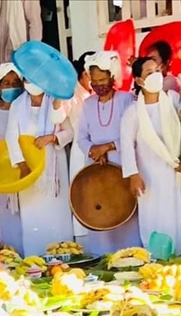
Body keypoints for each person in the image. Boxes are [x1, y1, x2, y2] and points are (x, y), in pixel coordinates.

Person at [0, 63, 73, 256]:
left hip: (54, 171)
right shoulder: (18, 105)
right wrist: (22, 165)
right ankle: (35, 259)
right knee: (32, 218)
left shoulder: (55, 100)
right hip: (28, 168)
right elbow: (11, 137)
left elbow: (69, 132)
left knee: (57, 215)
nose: (30, 83)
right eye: (27, 79)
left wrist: (52, 138)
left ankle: (63, 257)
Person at [121, 54, 181, 255]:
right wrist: (133, 175)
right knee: (154, 219)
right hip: (149, 176)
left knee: (180, 218)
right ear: (138, 80)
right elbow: (127, 144)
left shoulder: (173, 99)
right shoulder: (132, 112)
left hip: (176, 171)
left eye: (157, 71)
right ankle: (156, 260)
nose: (156, 75)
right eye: (149, 73)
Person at [69, 52, 140, 254]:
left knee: (124, 211)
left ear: (112, 77)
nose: (98, 85)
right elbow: (81, 136)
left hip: (122, 165)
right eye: (94, 81)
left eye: (102, 79)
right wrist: (92, 150)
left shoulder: (127, 100)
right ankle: (102, 258)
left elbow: (133, 134)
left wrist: (107, 147)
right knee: (98, 213)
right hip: (95, 169)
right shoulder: (88, 104)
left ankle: (132, 256)